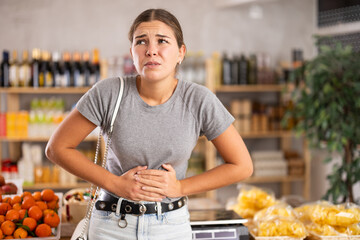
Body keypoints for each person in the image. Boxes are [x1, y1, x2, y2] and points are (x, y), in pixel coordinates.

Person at [46, 8, 253, 240]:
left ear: (180, 52)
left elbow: (242, 165)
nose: (151, 50)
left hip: (171, 226)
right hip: (111, 225)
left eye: (162, 41)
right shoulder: (109, 92)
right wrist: (116, 184)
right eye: (141, 42)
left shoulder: (199, 100)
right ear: (132, 52)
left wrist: (181, 188)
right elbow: (57, 148)